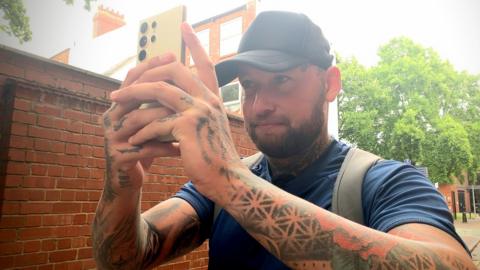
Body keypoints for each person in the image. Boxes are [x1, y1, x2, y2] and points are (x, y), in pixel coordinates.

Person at [93, 10, 474, 269]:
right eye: (249, 86)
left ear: (329, 84)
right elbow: (124, 258)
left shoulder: (386, 182)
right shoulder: (219, 186)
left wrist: (229, 181)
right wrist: (123, 180)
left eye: (281, 81)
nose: (260, 105)